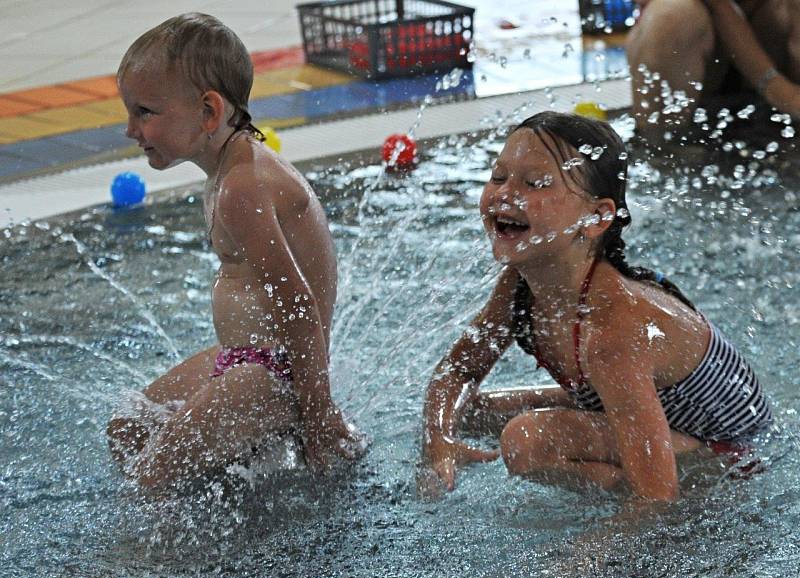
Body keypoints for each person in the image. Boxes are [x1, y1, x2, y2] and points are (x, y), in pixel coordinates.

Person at [419, 111, 772, 501]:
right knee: (472, 411)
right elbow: (458, 372)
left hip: (729, 454)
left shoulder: (613, 330)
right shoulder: (521, 286)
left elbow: (657, 499)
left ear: (597, 216)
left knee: (527, 440)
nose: (504, 194)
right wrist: (440, 443)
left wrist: (588, 556)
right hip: (650, 418)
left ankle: (689, 495)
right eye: (499, 177)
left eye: (534, 183)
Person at [106, 13, 363, 491]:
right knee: (129, 427)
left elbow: (298, 305)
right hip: (246, 361)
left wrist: (319, 412)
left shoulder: (242, 185)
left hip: (276, 372)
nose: (130, 129)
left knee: (156, 477)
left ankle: (160, 563)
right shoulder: (229, 169)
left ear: (208, 111)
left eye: (144, 112)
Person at [626, 0, 800, 144]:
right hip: (698, 39)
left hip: (765, 27)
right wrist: (777, 88)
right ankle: (660, 150)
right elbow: (717, 4)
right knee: (671, 18)